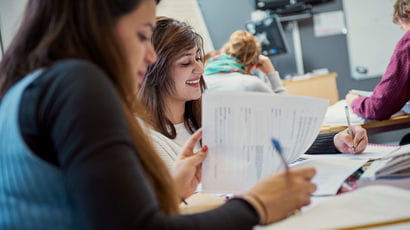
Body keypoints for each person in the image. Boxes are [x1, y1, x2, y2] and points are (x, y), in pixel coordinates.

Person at [0, 0, 318, 229]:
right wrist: (258, 206)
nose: (150, 55)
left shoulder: (27, 88)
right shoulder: (78, 84)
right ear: (96, 26)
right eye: (142, 35)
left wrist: (167, 191)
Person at [139, 17, 369, 171]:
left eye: (198, 58)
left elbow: (273, 146)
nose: (200, 69)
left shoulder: (212, 114)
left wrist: (336, 141)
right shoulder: (146, 140)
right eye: (186, 62)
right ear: (153, 71)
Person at [346, 0, 410, 121]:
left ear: (407, 13)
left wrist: (353, 101)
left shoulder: (408, 43)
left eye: (403, 26)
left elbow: (377, 108)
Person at [204, 30, 287, 94]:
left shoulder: (201, 81)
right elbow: (284, 108)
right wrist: (271, 72)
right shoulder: (250, 84)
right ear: (253, 64)